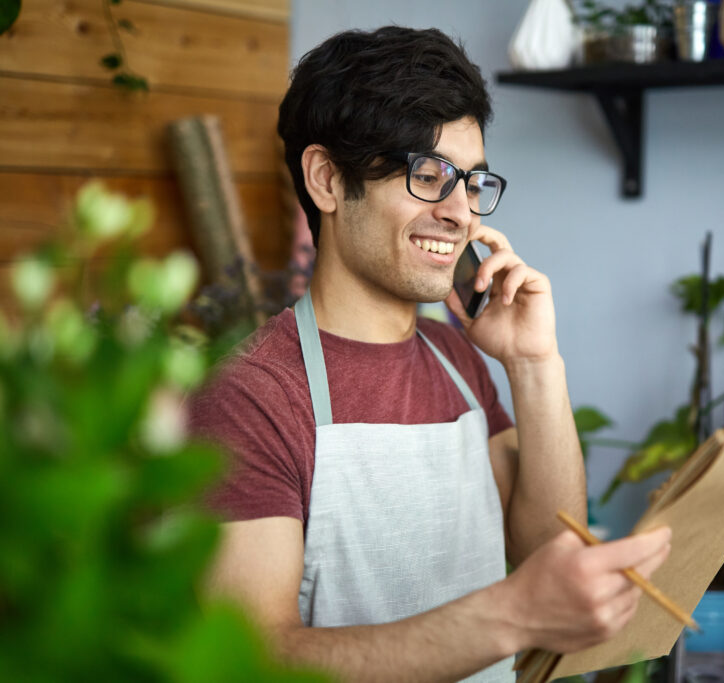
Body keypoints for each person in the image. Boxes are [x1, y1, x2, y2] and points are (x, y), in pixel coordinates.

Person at [189, 26, 671, 683]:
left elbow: (548, 554)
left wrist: (533, 364)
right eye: (428, 175)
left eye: (471, 182)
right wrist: (508, 616)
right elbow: (254, 659)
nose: (461, 213)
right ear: (327, 180)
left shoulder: (457, 359)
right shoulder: (251, 395)